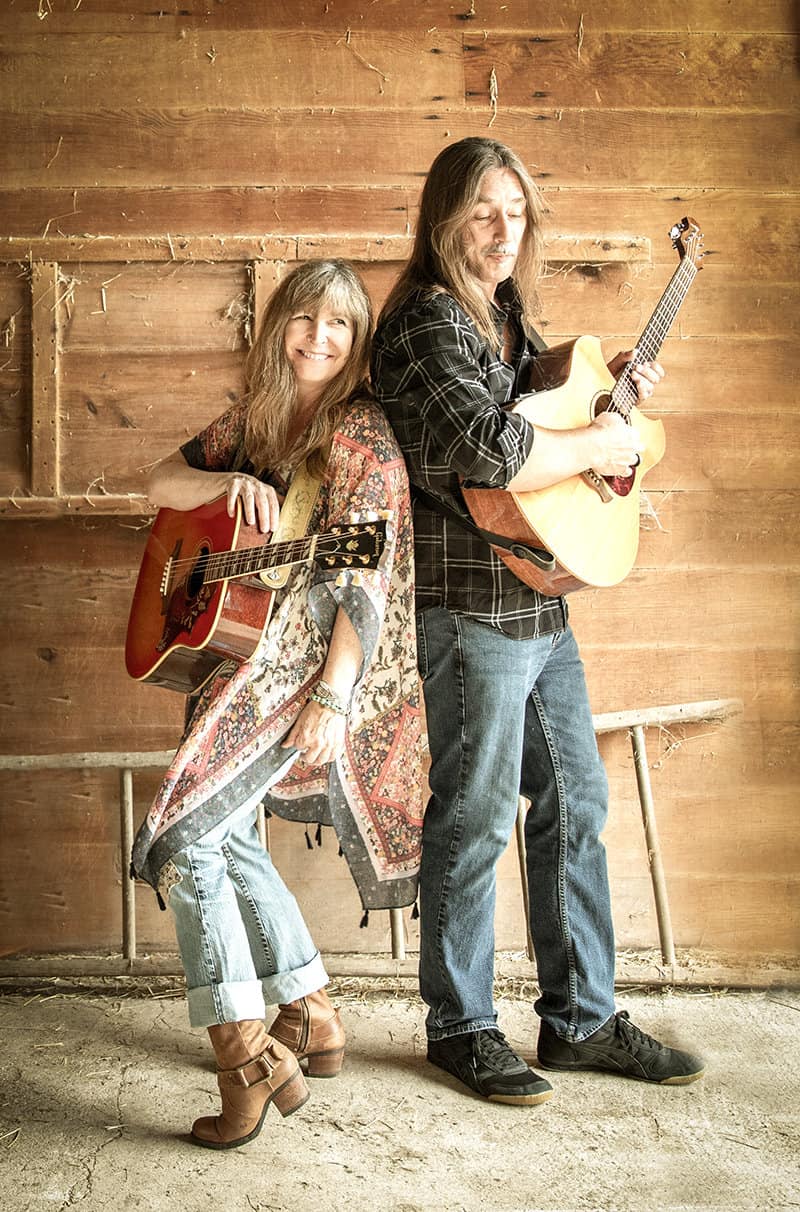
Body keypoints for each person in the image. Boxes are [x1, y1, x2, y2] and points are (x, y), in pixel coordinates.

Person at [370, 137, 704, 1106]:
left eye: (514, 212)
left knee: (576, 804)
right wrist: (590, 437)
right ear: (441, 220)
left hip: (538, 596)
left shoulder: (504, 317)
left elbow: (546, 432)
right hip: (472, 609)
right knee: (471, 818)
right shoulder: (425, 326)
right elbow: (490, 452)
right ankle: (460, 1027)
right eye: (481, 210)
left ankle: (581, 1020)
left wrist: (609, 427)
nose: (501, 230)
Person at [131, 259, 422, 1147]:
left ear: (357, 340)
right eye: (304, 319)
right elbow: (153, 483)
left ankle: (245, 1059)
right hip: (234, 660)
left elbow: (360, 579)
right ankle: (313, 1013)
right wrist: (223, 487)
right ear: (279, 326)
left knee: (182, 840)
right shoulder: (253, 421)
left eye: (339, 326)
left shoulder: (361, 433)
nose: (319, 339)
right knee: (228, 841)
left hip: (297, 673)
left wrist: (331, 701)